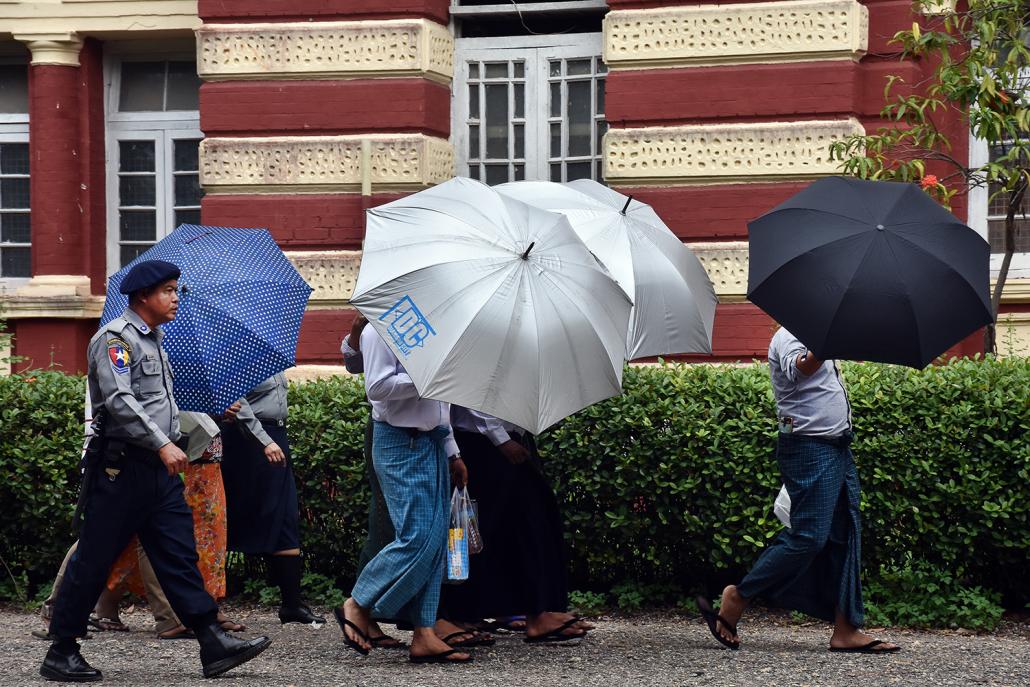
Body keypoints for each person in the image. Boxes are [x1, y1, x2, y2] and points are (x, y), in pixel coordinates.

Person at [41, 260, 271, 682]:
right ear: (143, 296)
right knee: (94, 558)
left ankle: (210, 639)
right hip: (121, 470)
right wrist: (162, 442)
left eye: (176, 290)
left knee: (178, 553)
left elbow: (155, 405)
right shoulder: (115, 340)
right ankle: (62, 648)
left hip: (157, 472)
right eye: (168, 290)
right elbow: (120, 402)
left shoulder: (155, 340)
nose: (175, 298)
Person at [696, 327, 900, 654]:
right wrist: (825, 344)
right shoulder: (788, 336)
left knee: (845, 533)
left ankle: (845, 629)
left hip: (836, 448)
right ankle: (738, 595)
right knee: (808, 536)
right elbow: (800, 368)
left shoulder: (815, 334)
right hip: (810, 448)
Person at [335, 325, 472, 664]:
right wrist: (428, 379)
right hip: (400, 443)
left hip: (431, 443)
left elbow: (439, 404)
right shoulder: (382, 327)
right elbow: (377, 387)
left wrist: (452, 450)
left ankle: (424, 633)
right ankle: (357, 603)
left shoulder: (435, 330)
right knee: (415, 537)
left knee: (435, 539)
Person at [441, 407, 592, 643]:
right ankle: (460, 614)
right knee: (480, 531)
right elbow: (477, 399)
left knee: (516, 526)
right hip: (483, 444)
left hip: (499, 440)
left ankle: (535, 610)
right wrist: (501, 439)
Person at [220, 373, 325, 626]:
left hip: (276, 435)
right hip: (250, 440)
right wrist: (264, 441)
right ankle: (209, 605)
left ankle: (292, 604)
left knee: (286, 513)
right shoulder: (235, 355)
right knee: (233, 518)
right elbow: (238, 404)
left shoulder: (267, 356)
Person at [340, 315, 404, 649]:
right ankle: (362, 607)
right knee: (385, 521)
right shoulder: (384, 317)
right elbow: (354, 366)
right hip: (389, 429)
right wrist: (355, 330)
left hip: (426, 431)